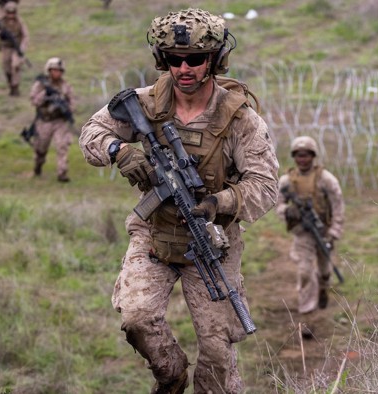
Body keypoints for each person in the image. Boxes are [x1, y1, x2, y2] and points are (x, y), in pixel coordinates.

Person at [79, 8, 278, 393]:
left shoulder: (239, 118)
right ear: (162, 60)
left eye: (195, 59)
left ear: (215, 60)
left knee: (218, 351)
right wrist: (120, 149)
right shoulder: (145, 102)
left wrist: (219, 203)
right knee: (136, 318)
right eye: (174, 59)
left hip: (212, 241)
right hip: (154, 234)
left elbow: (265, 185)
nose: (184, 68)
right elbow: (92, 132)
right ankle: (170, 377)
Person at [275, 136, 344, 333]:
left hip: (323, 231)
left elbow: (338, 205)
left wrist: (334, 232)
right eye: (298, 155)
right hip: (302, 233)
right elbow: (278, 203)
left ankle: (324, 287)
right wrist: (288, 211)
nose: (302, 159)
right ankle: (307, 318)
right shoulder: (287, 181)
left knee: (323, 269)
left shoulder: (326, 179)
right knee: (305, 272)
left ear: (312, 156)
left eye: (306, 155)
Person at [29, 57, 75, 182]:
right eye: (54, 70)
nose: (57, 73)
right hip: (44, 121)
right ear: (49, 71)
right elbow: (34, 100)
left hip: (60, 121)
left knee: (62, 146)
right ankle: (38, 167)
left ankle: (62, 173)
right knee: (41, 149)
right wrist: (46, 96)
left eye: (59, 70)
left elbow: (72, 103)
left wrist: (66, 109)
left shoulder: (65, 86)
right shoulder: (41, 85)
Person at [0, 1, 29, 96]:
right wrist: (0, 34)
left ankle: (15, 86)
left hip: (16, 46)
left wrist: (22, 48)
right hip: (6, 47)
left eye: (13, 12)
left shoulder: (20, 22)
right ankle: (11, 84)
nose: (11, 15)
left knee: (15, 65)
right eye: (9, 12)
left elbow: (25, 35)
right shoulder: (1, 21)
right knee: (6, 67)